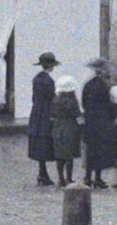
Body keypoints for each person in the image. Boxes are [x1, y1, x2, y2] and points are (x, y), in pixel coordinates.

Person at [26, 52, 60, 186]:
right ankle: (43, 174)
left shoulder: (36, 79)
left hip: (36, 113)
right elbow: (52, 99)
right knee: (46, 141)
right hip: (45, 114)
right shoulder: (49, 82)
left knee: (39, 142)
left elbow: (34, 97)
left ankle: (42, 171)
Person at [82, 61, 117, 189]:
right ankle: (97, 177)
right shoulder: (104, 86)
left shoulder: (87, 85)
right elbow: (108, 105)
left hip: (90, 121)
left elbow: (84, 103)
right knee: (100, 149)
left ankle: (87, 176)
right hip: (102, 121)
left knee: (90, 149)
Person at [49, 75, 82, 186]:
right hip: (70, 128)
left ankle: (60, 178)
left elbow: (51, 116)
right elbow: (77, 116)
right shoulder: (72, 101)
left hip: (57, 128)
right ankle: (69, 178)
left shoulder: (55, 100)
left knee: (59, 155)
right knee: (69, 156)